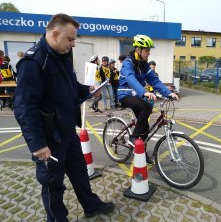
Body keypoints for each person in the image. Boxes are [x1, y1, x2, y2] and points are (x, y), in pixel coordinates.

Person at [14, 14, 114, 221]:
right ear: (55, 34)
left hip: (67, 132)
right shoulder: (33, 63)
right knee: (53, 184)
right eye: (70, 39)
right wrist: (38, 145)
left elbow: (70, 87)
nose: (73, 44)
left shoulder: (62, 56)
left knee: (80, 174)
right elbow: (24, 108)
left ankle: (91, 206)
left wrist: (88, 90)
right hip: (50, 139)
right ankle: (57, 218)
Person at [118, 34, 179, 164]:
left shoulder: (144, 65)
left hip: (138, 95)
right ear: (138, 49)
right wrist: (144, 92)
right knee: (146, 106)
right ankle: (133, 138)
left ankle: (141, 153)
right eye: (147, 50)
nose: (149, 53)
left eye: (149, 50)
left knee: (145, 127)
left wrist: (169, 93)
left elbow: (155, 81)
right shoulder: (127, 63)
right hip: (125, 95)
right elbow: (130, 79)